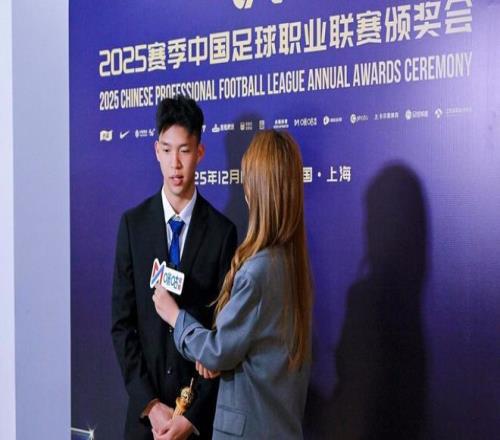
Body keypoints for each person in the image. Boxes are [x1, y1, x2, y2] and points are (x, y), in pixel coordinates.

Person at [152, 130, 313, 439]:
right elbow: (233, 350)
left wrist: (174, 316)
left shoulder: (257, 272)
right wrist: (219, 356)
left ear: (257, 189)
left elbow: (217, 351)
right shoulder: (290, 264)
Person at [111, 95, 237, 440]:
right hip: (144, 423)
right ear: (156, 150)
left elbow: (224, 335)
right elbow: (122, 326)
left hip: (195, 424)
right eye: (167, 150)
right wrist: (150, 405)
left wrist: (191, 418)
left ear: (200, 152)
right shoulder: (133, 226)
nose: (175, 164)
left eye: (184, 150)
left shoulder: (222, 233)